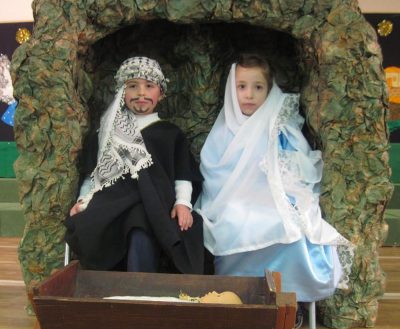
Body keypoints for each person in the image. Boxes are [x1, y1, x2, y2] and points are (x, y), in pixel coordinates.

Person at [195, 53, 353, 306]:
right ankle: (239, 297)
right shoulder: (223, 130)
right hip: (235, 201)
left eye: (258, 87)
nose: (249, 95)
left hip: (272, 197)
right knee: (233, 222)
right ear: (231, 89)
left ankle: (289, 300)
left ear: (269, 90)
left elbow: (297, 160)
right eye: (242, 87)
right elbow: (214, 170)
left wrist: (281, 169)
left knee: (287, 227)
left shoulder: (277, 124)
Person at [65, 56, 209, 274]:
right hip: (111, 201)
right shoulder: (105, 134)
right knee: (87, 224)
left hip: (155, 203)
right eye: (133, 86)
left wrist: (182, 204)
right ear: (122, 92)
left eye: (149, 86)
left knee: (141, 220)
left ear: (161, 93)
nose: (141, 93)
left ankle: (140, 282)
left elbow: (183, 174)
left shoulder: (170, 134)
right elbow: (93, 176)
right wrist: (83, 201)